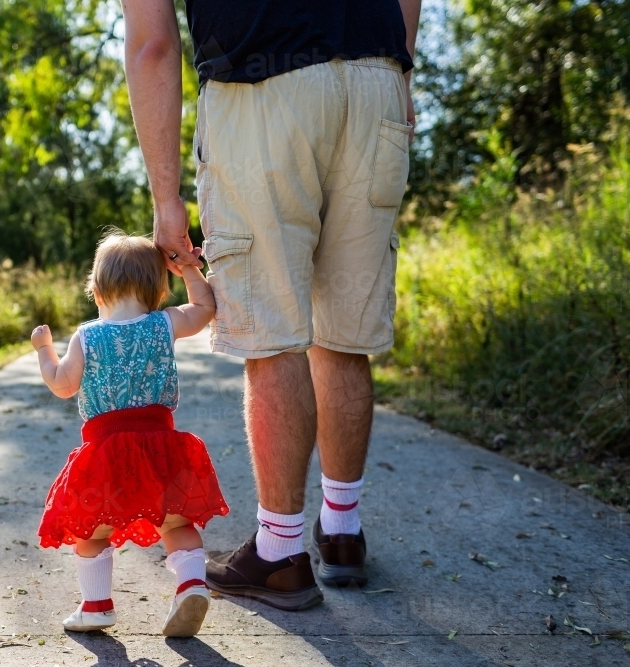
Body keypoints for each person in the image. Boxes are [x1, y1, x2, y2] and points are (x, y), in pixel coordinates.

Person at [120, 0, 422, 611]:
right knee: (344, 332)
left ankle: (280, 553)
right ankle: (341, 533)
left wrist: (165, 196)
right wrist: (399, 71)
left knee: (272, 334)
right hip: (376, 83)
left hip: (259, 86)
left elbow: (153, 44)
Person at [32, 231, 229, 637]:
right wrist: (190, 267)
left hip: (106, 453)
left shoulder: (87, 336)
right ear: (159, 289)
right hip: (161, 447)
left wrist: (44, 350)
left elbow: (62, 384)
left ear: (97, 289)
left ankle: (97, 605)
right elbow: (204, 307)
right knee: (175, 524)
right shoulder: (165, 323)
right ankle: (192, 583)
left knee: (90, 532)